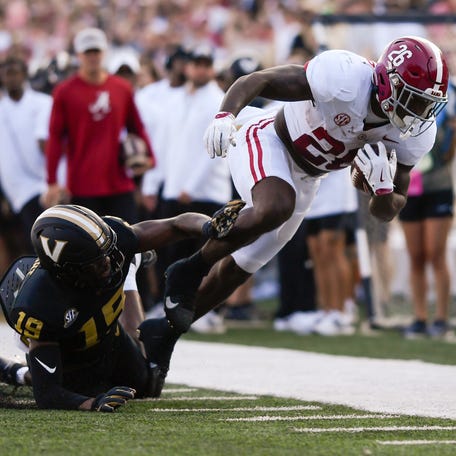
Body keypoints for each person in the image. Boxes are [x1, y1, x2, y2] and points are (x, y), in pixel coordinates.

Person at [159, 36, 449, 337]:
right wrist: (225, 115)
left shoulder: (417, 133)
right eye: (414, 98)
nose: (420, 111)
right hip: (270, 137)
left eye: (428, 103)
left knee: (243, 265)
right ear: (388, 81)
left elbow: (386, 212)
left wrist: (383, 190)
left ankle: (164, 337)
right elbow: (260, 79)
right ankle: (190, 267)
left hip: (309, 177)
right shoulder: (345, 77)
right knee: (275, 207)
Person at [0, 200, 244, 411]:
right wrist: (92, 404)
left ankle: (132, 268)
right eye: (95, 260)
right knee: (64, 384)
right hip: (73, 359)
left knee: (149, 385)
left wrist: (208, 227)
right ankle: (16, 372)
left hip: (109, 339)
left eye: (107, 252)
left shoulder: (112, 243)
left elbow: (176, 223)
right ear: (68, 270)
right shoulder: (39, 304)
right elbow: (49, 396)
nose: (107, 261)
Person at [42, 27, 154, 224]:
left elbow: (136, 126)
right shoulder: (65, 92)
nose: (93, 57)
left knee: (130, 241)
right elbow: (55, 137)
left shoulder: (121, 88)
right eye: (88, 52)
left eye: (96, 51)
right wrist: (51, 181)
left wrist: (150, 157)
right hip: (81, 185)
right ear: (79, 55)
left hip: (118, 182)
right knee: (90, 250)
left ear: (104, 53)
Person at [399, 81, 456, 338]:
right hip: (410, 186)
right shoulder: (402, 99)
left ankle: (442, 317)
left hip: (438, 183)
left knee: (436, 252)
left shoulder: (448, 97)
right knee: (416, 255)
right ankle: (420, 317)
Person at [0, 56, 53, 252]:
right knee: (27, 249)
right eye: (6, 74)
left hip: (46, 186)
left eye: (14, 73)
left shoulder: (43, 102)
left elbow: (47, 145)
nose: (11, 78)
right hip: (16, 192)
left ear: (24, 74)